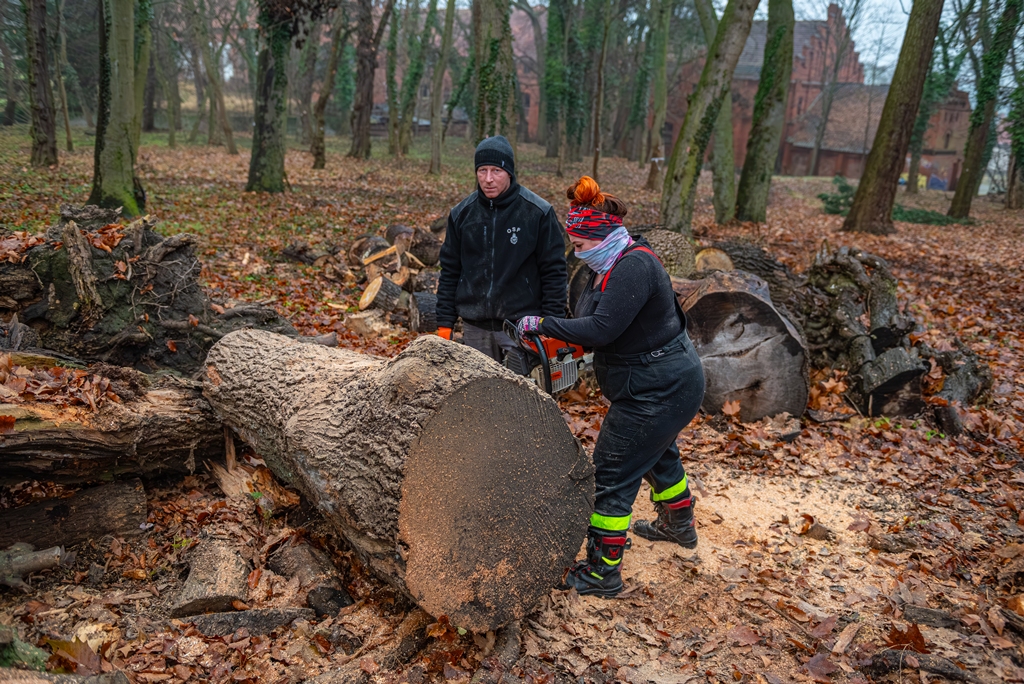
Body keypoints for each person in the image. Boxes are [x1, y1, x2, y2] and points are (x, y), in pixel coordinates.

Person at [515, 176, 705, 598]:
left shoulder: (634, 267)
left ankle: (602, 572)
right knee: (657, 453)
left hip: (658, 389)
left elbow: (602, 328)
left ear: (601, 237)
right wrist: (559, 337)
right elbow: (592, 322)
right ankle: (679, 524)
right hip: (663, 383)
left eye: (581, 245)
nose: (578, 253)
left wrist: (544, 324)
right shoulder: (608, 264)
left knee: (613, 473)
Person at [435, 135, 568, 361]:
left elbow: (554, 271)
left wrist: (551, 325)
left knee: (523, 384)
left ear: (509, 172)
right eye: (482, 170)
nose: (488, 179)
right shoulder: (461, 214)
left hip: (522, 328)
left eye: (496, 171)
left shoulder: (537, 212)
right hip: (475, 328)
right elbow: (450, 271)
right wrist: (444, 324)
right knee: (479, 384)